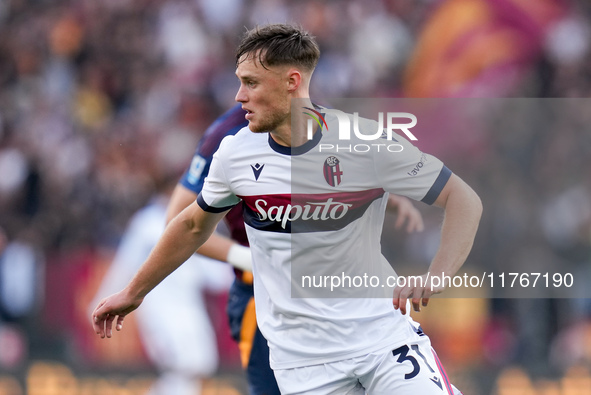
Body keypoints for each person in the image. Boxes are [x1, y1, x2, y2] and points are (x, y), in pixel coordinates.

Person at [92, 24, 482, 394]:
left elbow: (462, 198)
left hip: (382, 340)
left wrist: (436, 275)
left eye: (250, 83)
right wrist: (134, 292)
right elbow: (192, 224)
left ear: (292, 82)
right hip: (303, 365)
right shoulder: (234, 152)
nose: (238, 96)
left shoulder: (365, 141)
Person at [165, 103, 425, 395]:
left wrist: (390, 200)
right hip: (264, 295)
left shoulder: (316, 122)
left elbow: (335, 178)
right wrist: (253, 260)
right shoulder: (226, 136)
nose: (243, 93)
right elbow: (178, 221)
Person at [89, 179, 234, 395]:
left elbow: (215, 275)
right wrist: (99, 301)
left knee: (200, 367)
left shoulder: (195, 221)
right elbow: (125, 265)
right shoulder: (147, 223)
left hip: (189, 307)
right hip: (158, 306)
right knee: (183, 368)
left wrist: (245, 268)